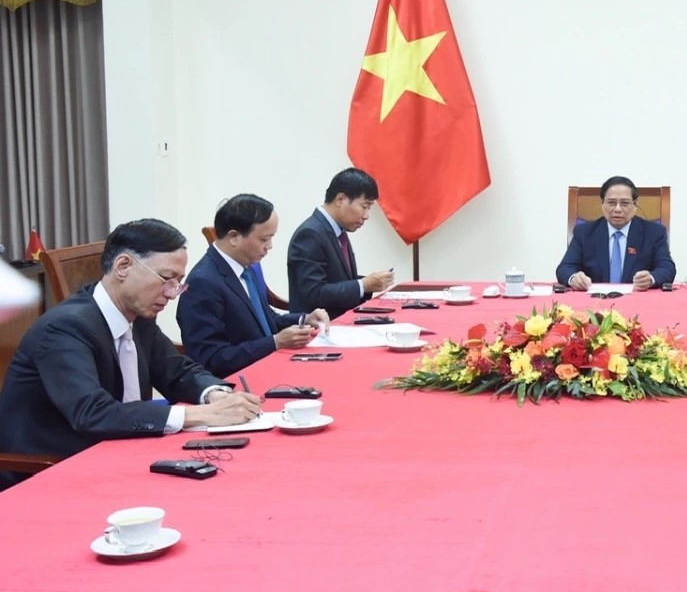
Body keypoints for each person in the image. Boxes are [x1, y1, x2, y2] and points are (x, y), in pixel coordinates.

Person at [0, 219, 262, 490]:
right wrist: (201, 415)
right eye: (166, 279)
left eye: (178, 282)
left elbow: (176, 370)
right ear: (123, 266)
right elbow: (93, 413)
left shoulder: (139, 316)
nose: (172, 293)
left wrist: (213, 395)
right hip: (49, 470)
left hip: (119, 450)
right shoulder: (64, 328)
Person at [178, 194, 330, 377]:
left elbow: (266, 319)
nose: (270, 246)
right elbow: (210, 359)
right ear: (234, 237)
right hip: (238, 381)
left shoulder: (245, 267)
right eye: (264, 239)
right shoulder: (203, 283)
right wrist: (275, 342)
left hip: (268, 366)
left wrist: (303, 320)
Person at [287, 168, 393, 318]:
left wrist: (372, 283)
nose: (366, 216)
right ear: (340, 199)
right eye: (364, 206)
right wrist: (363, 285)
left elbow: (338, 279)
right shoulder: (310, 234)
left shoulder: (337, 230)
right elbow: (314, 293)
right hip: (319, 326)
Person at [555, 176, 676, 291]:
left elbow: (667, 268)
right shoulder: (584, 232)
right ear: (602, 204)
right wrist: (574, 278)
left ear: (635, 205)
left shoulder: (654, 233)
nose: (617, 209)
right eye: (611, 203)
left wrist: (650, 279)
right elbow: (565, 268)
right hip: (595, 300)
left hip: (637, 299)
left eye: (624, 203)